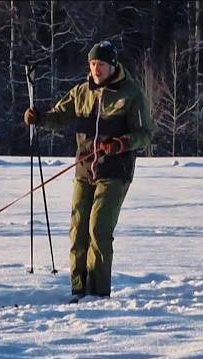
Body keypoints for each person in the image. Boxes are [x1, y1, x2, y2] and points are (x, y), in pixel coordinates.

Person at [23, 40, 155, 303]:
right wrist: (39, 118)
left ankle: (98, 293)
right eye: (93, 64)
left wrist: (121, 144)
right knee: (78, 229)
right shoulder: (82, 92)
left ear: (112, 66)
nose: (96, 69)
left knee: (98, 229)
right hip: (84, 169)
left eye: (101, 65)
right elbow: (59, 116)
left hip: (115, 171)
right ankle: (78, 289)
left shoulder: (130, 94)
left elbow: (145, 134)